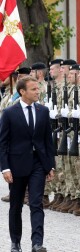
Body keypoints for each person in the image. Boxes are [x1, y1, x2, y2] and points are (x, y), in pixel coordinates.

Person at [0, 76, 55, 252]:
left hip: (38, 164)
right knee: (16, 205)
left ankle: (37, 243)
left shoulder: (43, 111)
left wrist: (50, 165)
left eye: (38, 88)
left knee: (36, 203)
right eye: (33, 89)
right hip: (16, 166)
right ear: (22, 92)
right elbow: (2, 143)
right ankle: (15, 242)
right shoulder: (9, 113)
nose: (37, 92)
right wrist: (5, 168)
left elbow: (47, 140)